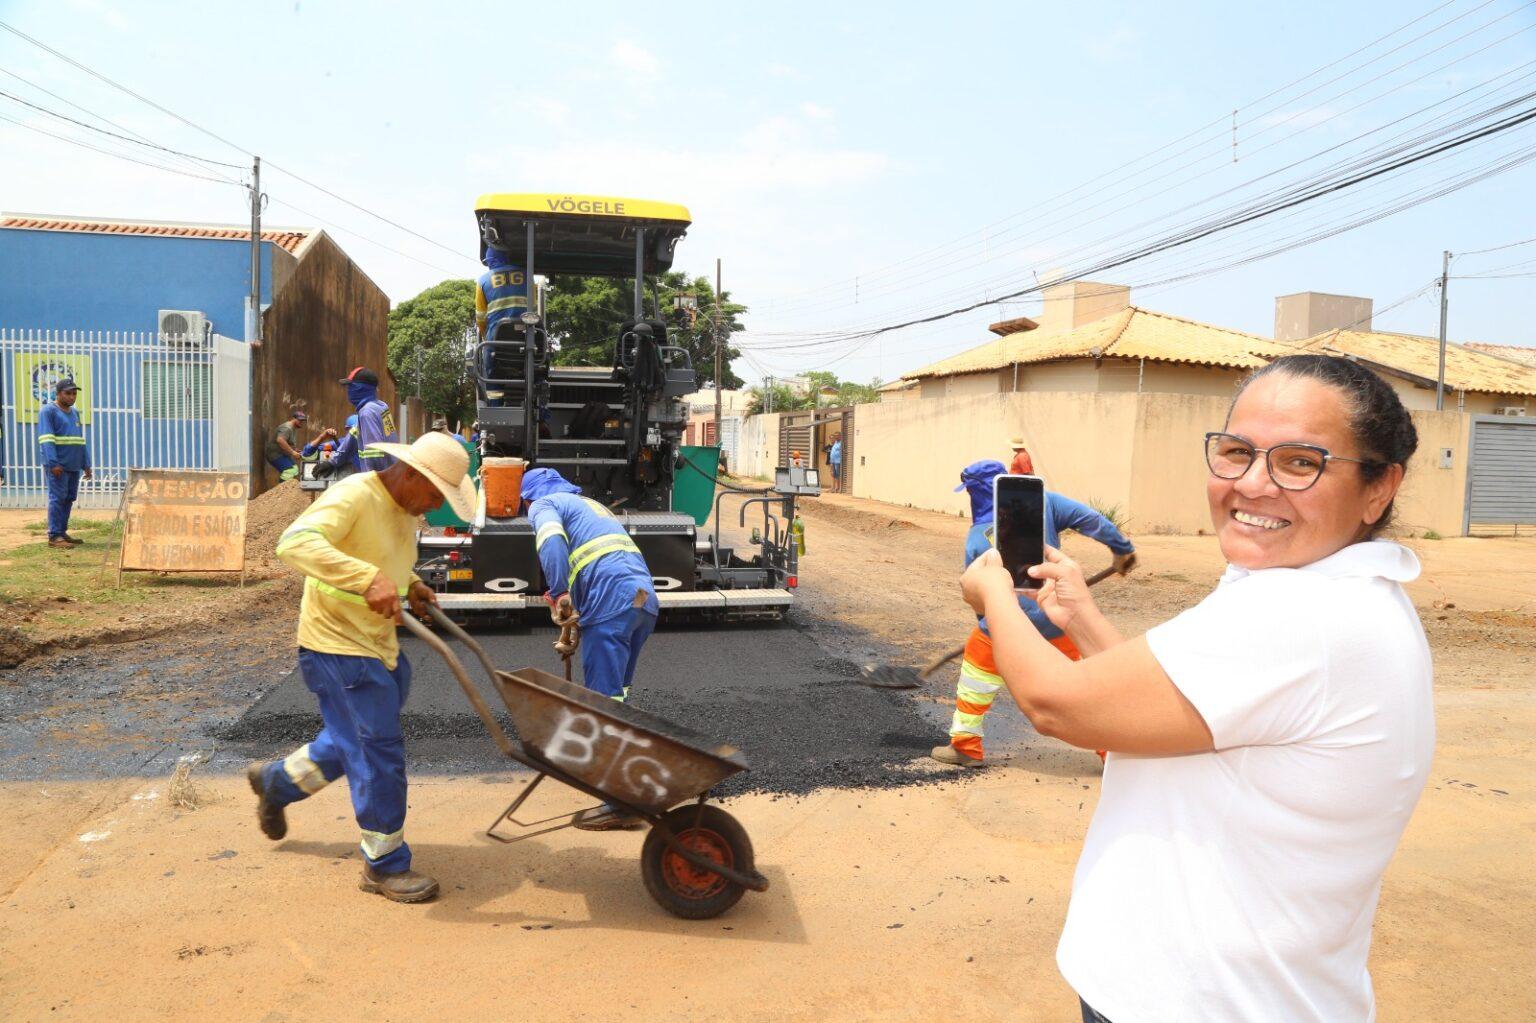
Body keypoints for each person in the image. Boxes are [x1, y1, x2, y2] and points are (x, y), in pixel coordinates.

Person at [959, 354, 1430, 1021]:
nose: (1255, 484)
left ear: (1380, 487)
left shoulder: (1303, 617)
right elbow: (1190, 712)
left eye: (1301, 462)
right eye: (1237, 452)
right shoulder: (1333, 594)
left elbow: (1054, 704)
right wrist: (1084, 618)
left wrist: (994, 595)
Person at [248, 432, 476, 904]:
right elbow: (294, 543)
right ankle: (384, 864)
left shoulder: (403, 508)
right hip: (336, 645)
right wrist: (368, 579)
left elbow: (380, 555)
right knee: (377, 750)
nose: (434, 506)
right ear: (411, 473)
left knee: (354, 736)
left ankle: (278, 781)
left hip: (377, 644)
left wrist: (409, 582)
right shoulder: (353, 494)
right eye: (434, 494)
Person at [932, 460, 1133, 767]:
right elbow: (1091, 519)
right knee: (1082, 687)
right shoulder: (1047, 502)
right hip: (1056, 619)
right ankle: (1112, 754)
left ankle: (966, 746)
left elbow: (977, 594)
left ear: (975, 493)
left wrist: (987, 623)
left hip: (1003, 627)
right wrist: (1121, 549)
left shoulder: (976, 538)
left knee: (976, 675)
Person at [521, 467, 659, 831]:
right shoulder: (591, 506)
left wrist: (560, 591)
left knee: (603, 707)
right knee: (617, 698)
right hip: (643, 601)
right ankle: (630, 781)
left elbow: (551, 542)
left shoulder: (544, 504)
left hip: (612, 600)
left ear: (528, 498)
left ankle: (619, 804)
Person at [38, 378, 91, 548]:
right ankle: (54, 536)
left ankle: (61, 531)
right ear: (58, 393)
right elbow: (46, 439)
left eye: (74, 393)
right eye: (68, 393)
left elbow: (79, 440)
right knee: (57, 498)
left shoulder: (75, 413)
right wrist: (53, 463)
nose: (72, 397)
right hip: (58, 466)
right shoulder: (48, 411)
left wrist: (86, 464)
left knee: (69, 498)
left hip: (74, 464)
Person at [475, 246, 530, 406]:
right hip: (527, 338)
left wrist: (486, 336)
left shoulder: (483, 281)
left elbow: (480, 317)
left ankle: (495, 405)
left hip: (495, 339)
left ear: (490, 261)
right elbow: (533, 308)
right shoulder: (527, 275)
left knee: (490, 371)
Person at [320, 368, 397, 477]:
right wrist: (332, 462)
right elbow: (353, 437)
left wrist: (372, 481)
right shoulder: (380, 406)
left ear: (360, 388)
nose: (348, 391)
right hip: (391, 473)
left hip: (381, 480)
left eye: (350, 386)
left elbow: (374, 452)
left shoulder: (367, 412)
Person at [265, 409, 335, 482]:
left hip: (281, 453)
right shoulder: (287, 428)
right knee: (289, 471)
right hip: (274, 454)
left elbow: (287, 442)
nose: (301, 422)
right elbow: (280, 440)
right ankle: (281, 491)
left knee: (295, 469)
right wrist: (292, 452)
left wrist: (295, 450)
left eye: (302, 421)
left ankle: (286, 490)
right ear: (294, 419)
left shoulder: (292, 428)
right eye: (300, 420)